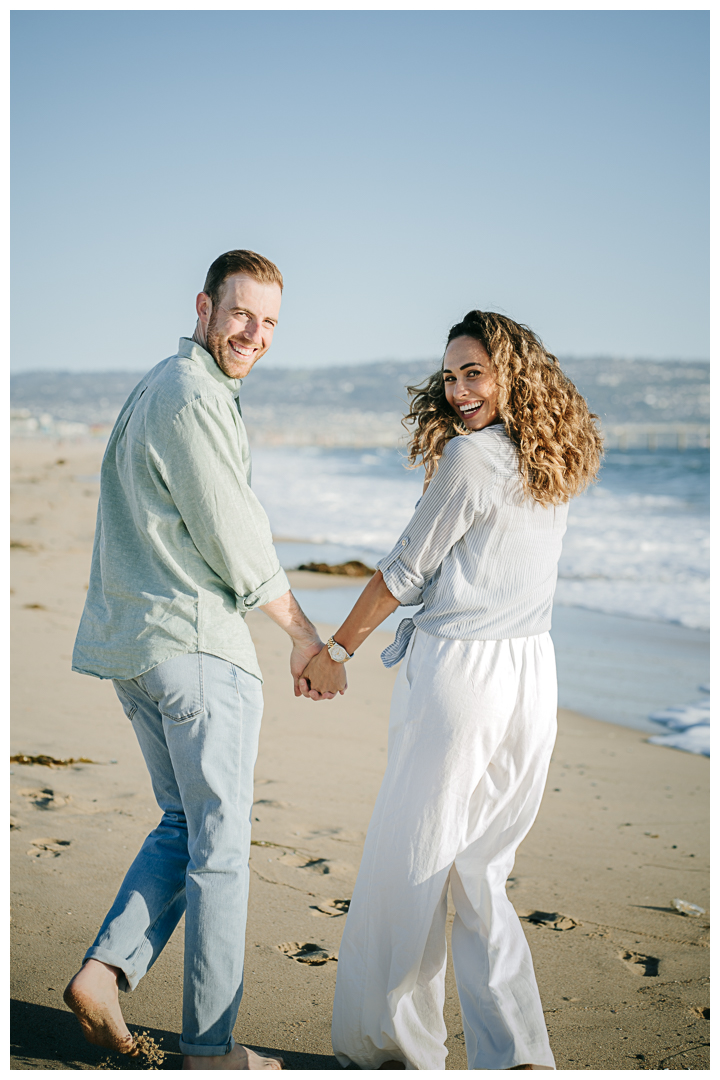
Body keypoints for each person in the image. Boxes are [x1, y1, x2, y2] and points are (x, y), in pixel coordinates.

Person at [299, 310, 603, 1071]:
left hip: (461, 676)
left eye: (474, 372)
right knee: (481, 872)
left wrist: (335, 649)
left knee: (417, 860)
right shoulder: (556, 459)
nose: (459, 389)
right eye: (450, 375)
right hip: (533, 676)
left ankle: (399, 1047)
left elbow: (402, 572)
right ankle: (517, 1056)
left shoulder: (470, 459)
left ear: (511, 374)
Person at [64, 249, 337, 1070]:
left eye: (270, 322)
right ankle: (212, 1053)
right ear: (205, 306)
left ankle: (106, 973)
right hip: (192, 648)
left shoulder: (160, 384)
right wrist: (306, 639)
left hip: (139, 650)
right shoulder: (191, 396)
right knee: (221, 848)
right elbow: (238, 538)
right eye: (242, 313)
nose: (254, 333)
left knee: (186, 826)